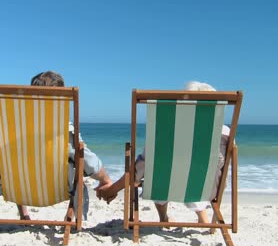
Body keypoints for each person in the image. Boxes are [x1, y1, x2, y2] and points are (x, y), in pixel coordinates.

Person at [97, 81, 230, 224]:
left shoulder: (166, 132)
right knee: (196, 172)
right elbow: (220, 165)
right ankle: (203, 219)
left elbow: (141, 166)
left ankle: (163, 218)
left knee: (158, 172)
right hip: (206, 188)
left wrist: (113, 189)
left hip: (163, 187)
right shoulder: (225, 134)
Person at [0, 71, 113, 220]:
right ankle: (71, 219)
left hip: (15, 187)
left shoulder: (13, 128)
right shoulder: (62, 130)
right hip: (56, 189)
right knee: (77, 180)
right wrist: (105, 179)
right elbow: (88, 161)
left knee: (15, 169)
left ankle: (24, 214)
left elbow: (7, 164)